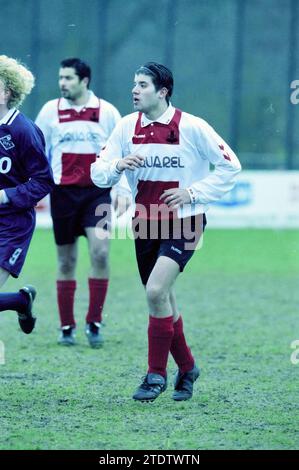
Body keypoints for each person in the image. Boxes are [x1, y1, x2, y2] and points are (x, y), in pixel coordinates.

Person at [91, 62, 241, 401]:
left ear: (163, 91)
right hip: (144, 221)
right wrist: (116, 166)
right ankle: (187, 367)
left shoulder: (192, 126)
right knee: (163, 297)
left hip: (185, 221)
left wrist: (192, 193)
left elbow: (231, 166)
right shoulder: (126, 127)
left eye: (143, 85)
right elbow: (98, 171)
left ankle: (155, 375)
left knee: (156, 291)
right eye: (134, 84)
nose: (135, 90)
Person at [35, 58, 122, 348]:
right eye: (60, 77)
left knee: (100, 253)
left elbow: (120, 153)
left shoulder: (107, 111)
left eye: (69, 78)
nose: (62, 83)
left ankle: (94, 322)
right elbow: (37, 151)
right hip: (62, 193)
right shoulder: (50, 111)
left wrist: (121, 189)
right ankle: (66, 326)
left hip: (97, 193)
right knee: (66, 260)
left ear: (84, 81)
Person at [0, 55, 54, 333]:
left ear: (6, 92)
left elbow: (43, 181)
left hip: (12, 225)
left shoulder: (23, 131)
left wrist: (5, 196)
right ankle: (21, 301)